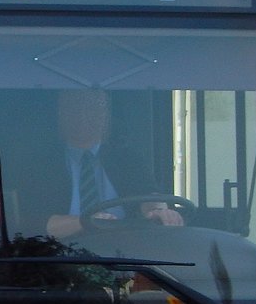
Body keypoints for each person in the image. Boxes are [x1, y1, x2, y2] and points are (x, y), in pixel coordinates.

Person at [24, 89, 184, 240]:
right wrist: (85, 222)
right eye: (74, 107)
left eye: (93, 108)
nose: (83, 116)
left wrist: (158, 211)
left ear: (106, 115)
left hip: (125, 253)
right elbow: (34, 223)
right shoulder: (40, 165)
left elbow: (149, 194)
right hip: (59, 256)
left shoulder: (128, 159)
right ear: (60, 114)